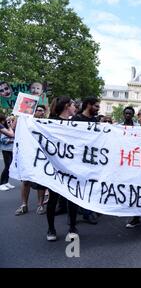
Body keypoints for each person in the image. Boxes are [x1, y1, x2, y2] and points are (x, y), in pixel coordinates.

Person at [45, 96, 79, 241]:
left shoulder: (77, 123)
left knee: (73, 198)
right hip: (55, 166)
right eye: (73, 105)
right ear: (66, 106)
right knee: (53, 198)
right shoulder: (51, 122)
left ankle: (72, 227)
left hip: (72, 167)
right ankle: (51, 229)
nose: (75, 107)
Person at [71, 96, 100, 225]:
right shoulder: (77, 119)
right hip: (78, 157)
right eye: (96, 106)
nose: (98, 109)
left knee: (89, 185)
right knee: (76, 185)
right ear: (88, 105)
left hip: (91, 158)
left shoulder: (95, 120)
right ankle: (73, 214)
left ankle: (87, 212)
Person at [15, 105, 47, 215]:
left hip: (41, 156)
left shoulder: (46, 123)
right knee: (25, 180)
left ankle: (40, 205)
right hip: (27, 155)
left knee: (41, 181)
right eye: (38, 110)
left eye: (43, 111)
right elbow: (15, 128)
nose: (41, 112)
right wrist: (19, 116)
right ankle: (24, 205)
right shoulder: (24, 122)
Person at [0, 114, 16, 191]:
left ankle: (6, 182)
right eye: (7, 120)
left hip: (10, 149)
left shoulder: (7, 128)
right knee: (7, 166)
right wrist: (12, 140)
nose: (8, 122)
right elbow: (3, 140)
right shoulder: (3, 128)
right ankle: (1, 183)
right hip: (6, 149)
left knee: (9, 166)